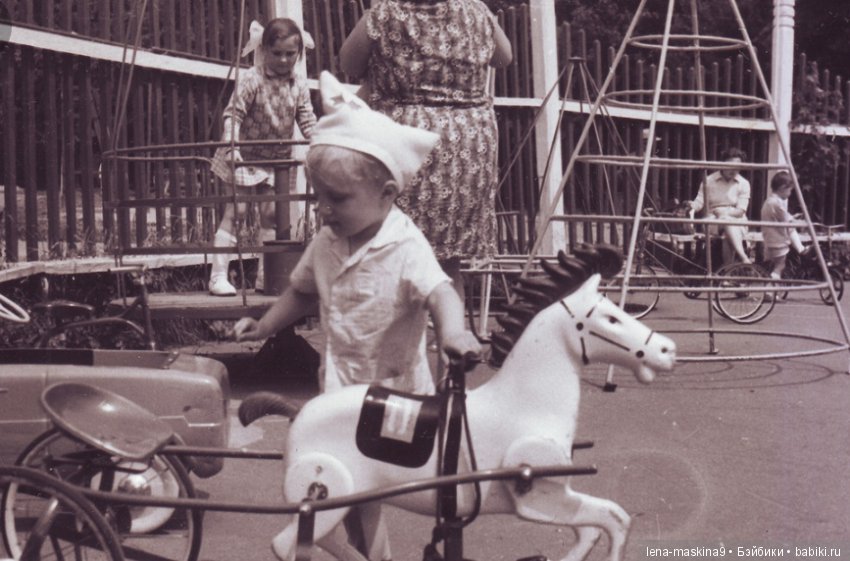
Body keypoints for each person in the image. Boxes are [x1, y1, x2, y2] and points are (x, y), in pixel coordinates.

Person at [233, 71, 482, 561]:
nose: (324, 210)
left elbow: (440, 292)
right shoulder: (327, 242)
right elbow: (302, 292)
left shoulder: (405, 244)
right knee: (345, 488)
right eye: (319, 197)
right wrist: (265, 324)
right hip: (340, 388)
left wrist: (454, 332)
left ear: (387, 194)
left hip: (395, 394)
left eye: (339, 199)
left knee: (367, 487)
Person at [338, 0, 513, 303]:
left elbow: (349, 65)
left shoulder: (384, 14)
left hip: (408, 141)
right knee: (447, 263)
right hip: (466, 146)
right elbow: (504, 56)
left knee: (394, 251)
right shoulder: (475, 11)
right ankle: (450, 331)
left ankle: (402, 330)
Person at [208, 18, 317, 296]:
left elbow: (306, 118)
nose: (283, 60)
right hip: (244, 155)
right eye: (277, 53)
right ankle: (218, 276)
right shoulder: (252, 79)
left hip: (275, 160)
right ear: (265, 49)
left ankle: (265, 278)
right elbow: (233, 114)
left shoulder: (298, 83)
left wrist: (318, 142)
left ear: (299, 54)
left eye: (290, 54)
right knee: (237, 212)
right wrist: (232, 145)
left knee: (272, 216)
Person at [687, 147, 752, 266]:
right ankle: (744, 258)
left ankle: (728, 271)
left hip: (737, 221)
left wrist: (724, 213)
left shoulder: (744, 183)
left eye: (738, 167)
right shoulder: (709, 180)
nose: (734, 170)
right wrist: (692, 206)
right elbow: (699, 202)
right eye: (730, 166)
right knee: (726, 224)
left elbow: (741, 211)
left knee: (727, 234)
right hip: (713, 221)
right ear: (722, 164)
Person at [761, 170, 805, 281]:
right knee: (780, 266)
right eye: (790, 190)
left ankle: (771, 286)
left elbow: (781, 217)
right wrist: (798, 222)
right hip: (778, 242)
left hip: (769, 240)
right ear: (782, 188)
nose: (790, 193)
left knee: (772, 266)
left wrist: (792, 217)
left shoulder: (769, 201)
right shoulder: (776, 203)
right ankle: (801, 249)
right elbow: (785, 220)